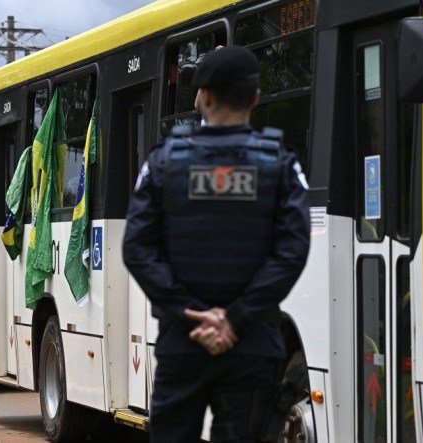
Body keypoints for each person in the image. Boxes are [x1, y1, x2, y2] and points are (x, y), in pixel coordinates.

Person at [122, 46, 311, 442]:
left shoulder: (163, 162)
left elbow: (138, 248)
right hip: (253, 344)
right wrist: (235, 317)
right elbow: (291, 253)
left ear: (203, 98)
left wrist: (190, 313)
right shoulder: (281, 163)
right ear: (256, 98)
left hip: (182, 342)